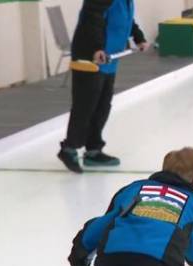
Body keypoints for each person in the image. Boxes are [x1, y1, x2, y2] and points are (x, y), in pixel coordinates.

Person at [58, 0, 150, 173]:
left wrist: (139, 37)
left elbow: (128, 20)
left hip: (109, 58)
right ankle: (69, 148)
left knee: (102, 106)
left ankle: (93, 150)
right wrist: (96, 48)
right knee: (86, 105)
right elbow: (92, 19)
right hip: (92, 56)